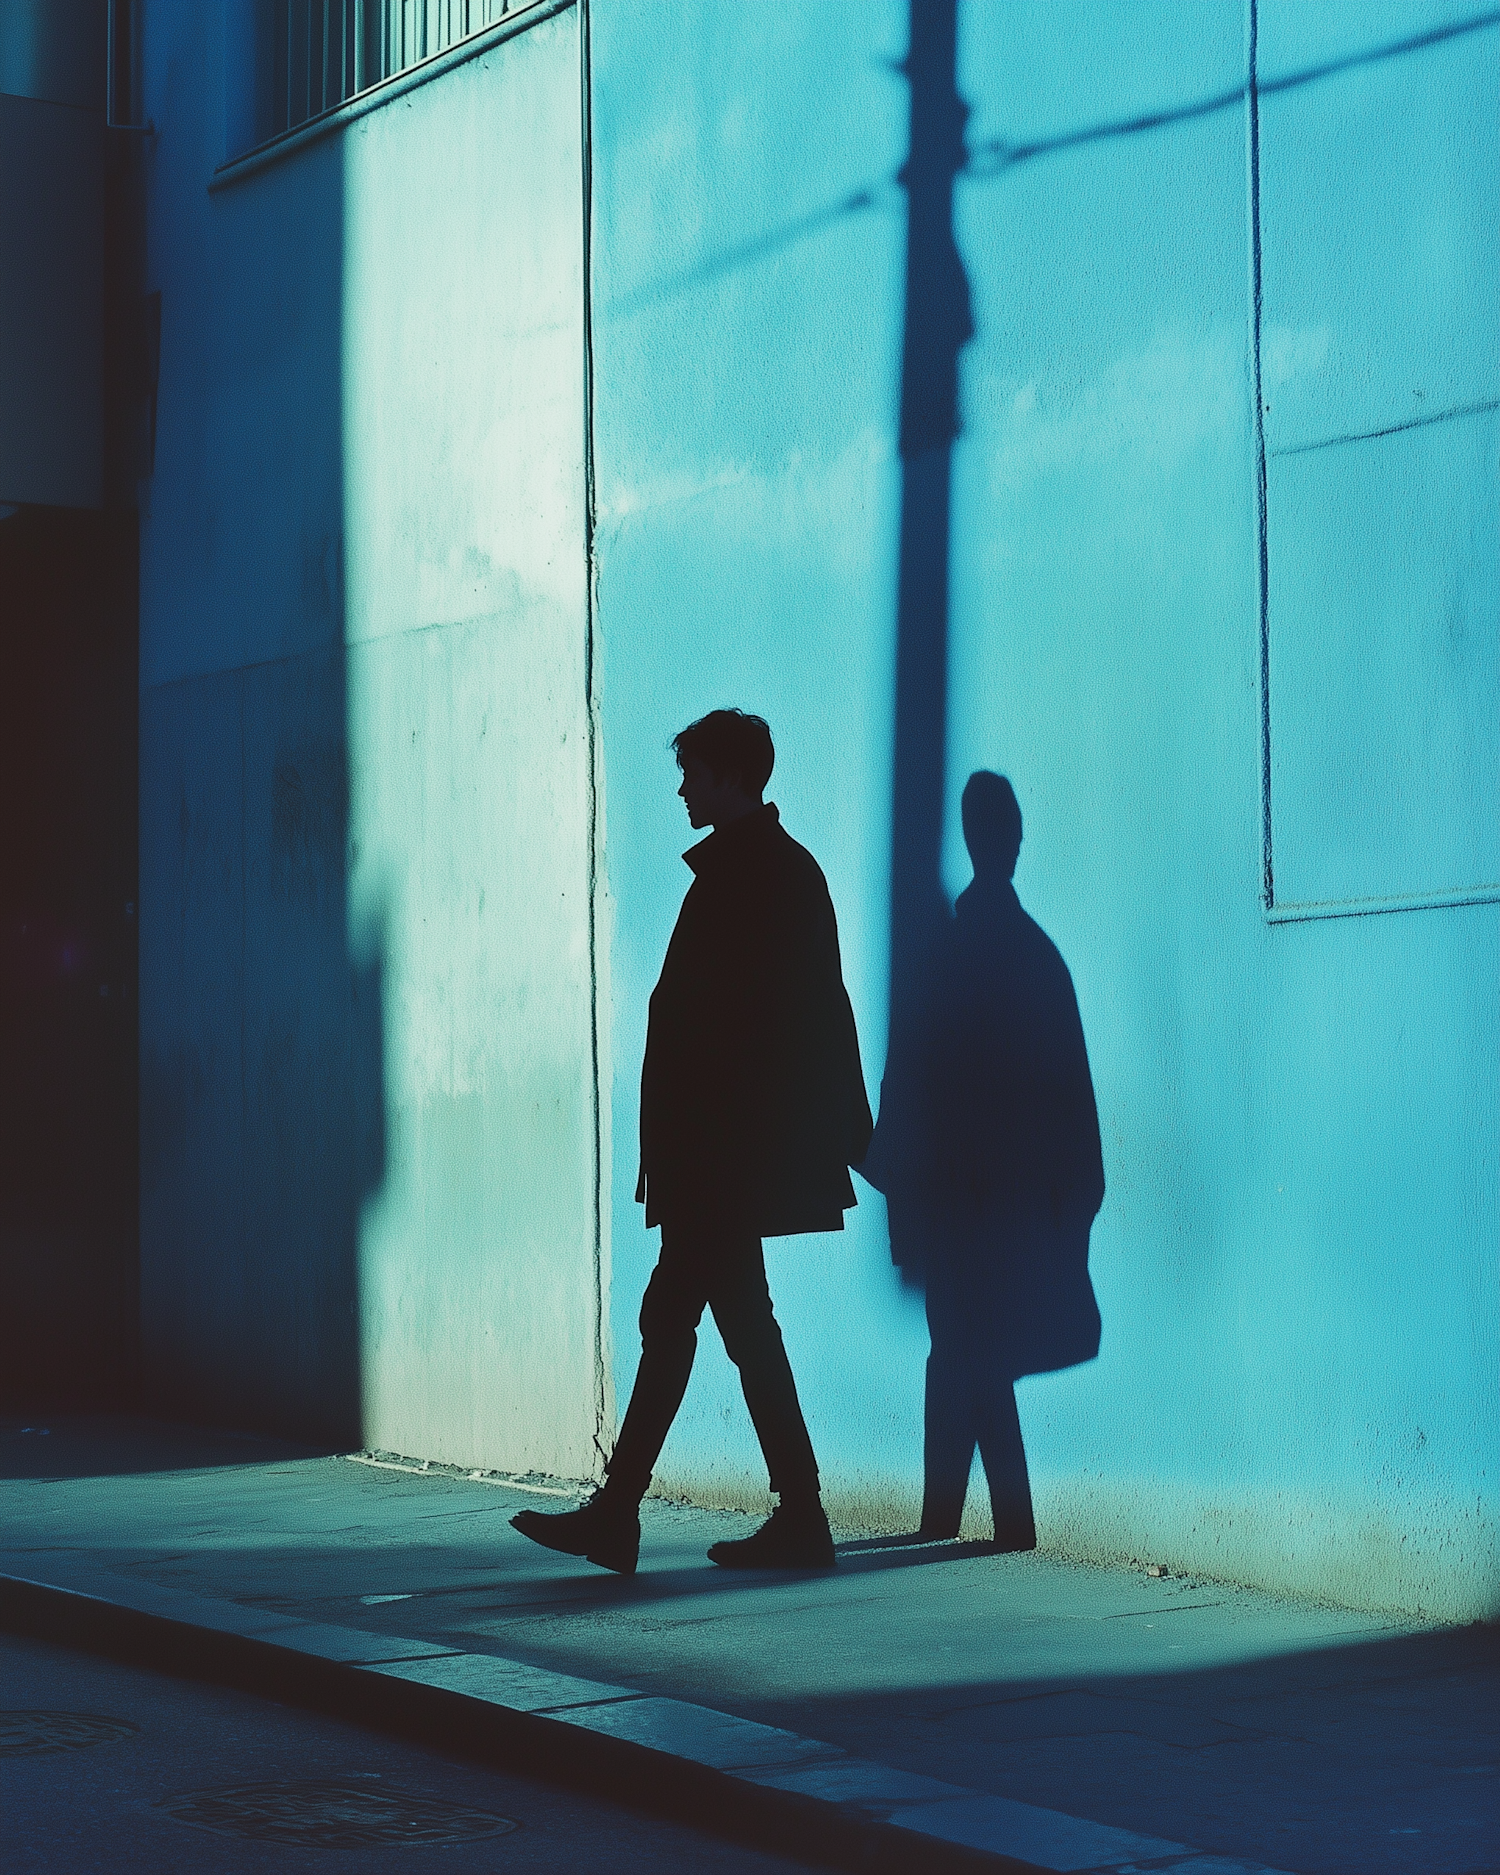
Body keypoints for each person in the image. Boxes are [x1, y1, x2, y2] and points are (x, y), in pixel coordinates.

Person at [512, 710, 872, 1574]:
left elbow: (801, 1016)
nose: (681, 788)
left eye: (694, 773)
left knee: (686, 1320)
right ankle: (778, 1512)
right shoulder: (755, 870)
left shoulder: (760, 875)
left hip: (722, 1158)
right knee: (721, 1321)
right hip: (717, 1157)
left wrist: (832, 1134)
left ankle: (633, 1511)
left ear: (731, 777)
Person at [862, 772, 1103, 1548]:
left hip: (951, 1195)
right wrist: (1070, 1211)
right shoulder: (1041, 959)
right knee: (979, 1354)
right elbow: (1074, 1101)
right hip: (1016, 1202)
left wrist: (901, 1187)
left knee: (960, 1352)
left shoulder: (944, 953)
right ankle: (1002, 1524)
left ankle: (962, 1521)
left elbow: (910, 1078)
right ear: (1014, 841)